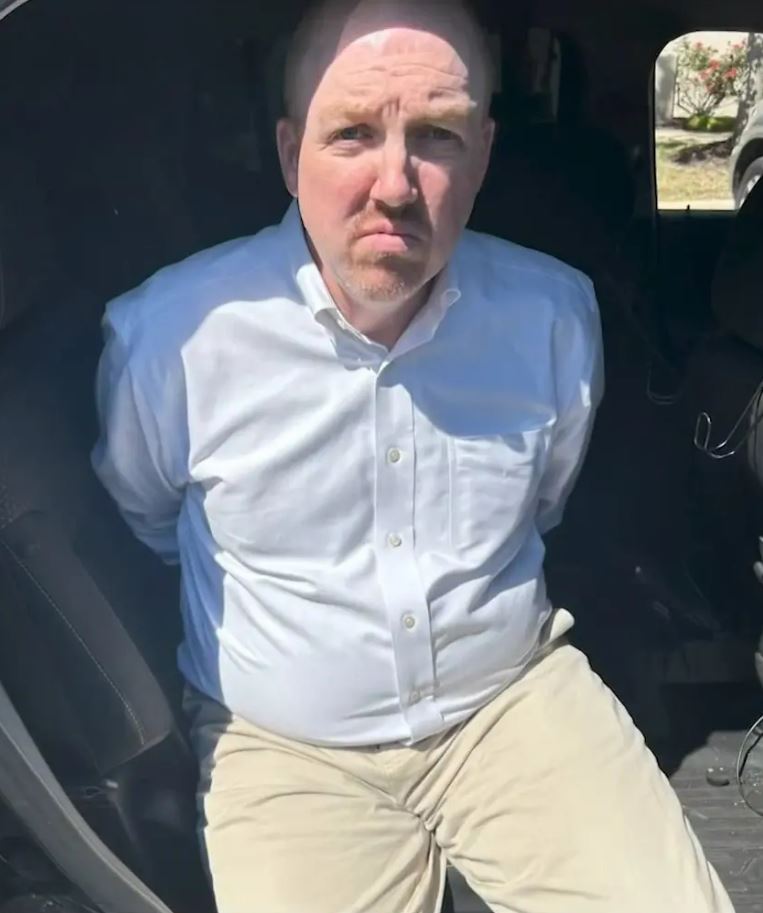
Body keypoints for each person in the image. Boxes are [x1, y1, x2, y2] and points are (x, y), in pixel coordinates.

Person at [91, 1, 736, 911]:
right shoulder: (171, 337)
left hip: (511, 705)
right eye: (352, 133)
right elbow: (147, 511)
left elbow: (543, 498)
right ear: (289, 155)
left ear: (483, 157)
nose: (394, 185)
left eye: (436, 136)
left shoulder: (552, 316)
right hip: (286, 749)